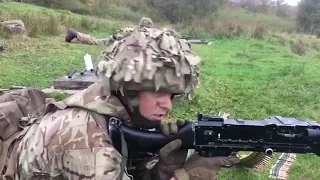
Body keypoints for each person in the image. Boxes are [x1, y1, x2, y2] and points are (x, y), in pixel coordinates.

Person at [15, 21, 240, 180]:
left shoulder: (116, 109)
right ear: (129, 90)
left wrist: (164, 169)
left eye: (172, 95)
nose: (168, 105)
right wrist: (191, 175)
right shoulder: (88, 143)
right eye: (159, 93)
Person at [64, 17, 153, 46]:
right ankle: (76, 34)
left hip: (118, 41)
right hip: (113, 42)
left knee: (97, 41)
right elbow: (116, 36)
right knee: (97, 41)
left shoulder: (145, 34)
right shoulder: (131, 31)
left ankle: (77, 34)